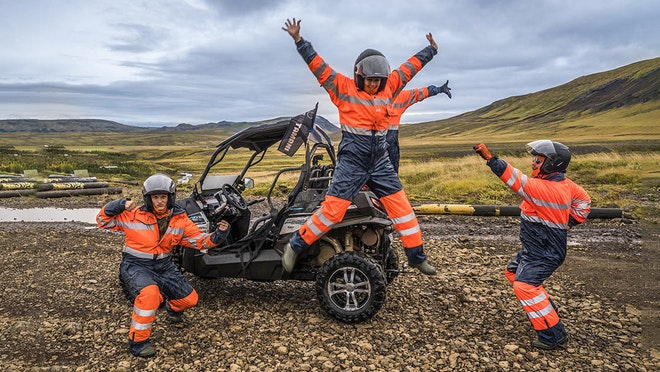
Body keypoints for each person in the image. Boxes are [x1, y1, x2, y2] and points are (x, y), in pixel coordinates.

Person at [281, 17, 438, 275]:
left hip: (380, 161)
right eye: (370, 80)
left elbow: (411, 67)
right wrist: (300, 41)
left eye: (379, 80)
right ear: (359, 76)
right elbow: (318, 67)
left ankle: (416, 256)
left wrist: (430, 51)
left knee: (402, 208)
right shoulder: (342, 88)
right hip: (352, 161)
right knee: (332, 212)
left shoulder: (391, 86)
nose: (374, 84)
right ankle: (295, 246)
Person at [473, 140, 591, 350]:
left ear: (551, 164)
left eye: (538, 160)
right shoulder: (565, 184)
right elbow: (584, 202)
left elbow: (512, 177)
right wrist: (569, 223)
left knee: (524, 286)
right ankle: (545, 309)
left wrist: (491, 159)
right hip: (536, 248)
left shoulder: (542, 188)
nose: (533, 163)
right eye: (534, 158)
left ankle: (553, 336)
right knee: (512, 273)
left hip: (545, 251)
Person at [97, 173, 230, 358]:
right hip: (136, 265)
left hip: (165, 266)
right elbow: (102, 221)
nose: (159, 201)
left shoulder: (180, 219)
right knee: (150, 295)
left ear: (170, 197)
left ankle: (172, 309)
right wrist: (116, 205)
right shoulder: (132, 215)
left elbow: (200, 241)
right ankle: (138, 342)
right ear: (148, 198)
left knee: (190, 300)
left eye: (163, 197)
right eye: (155, 197)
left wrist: (218, 236)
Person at [387, 81, 451, 172]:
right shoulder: (400, 97)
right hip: (384, 141)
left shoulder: (400, 97)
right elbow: (420, 93)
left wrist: (439, 89)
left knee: (388, 173)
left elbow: (420, 93)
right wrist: (439, 89)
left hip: (383, 142)